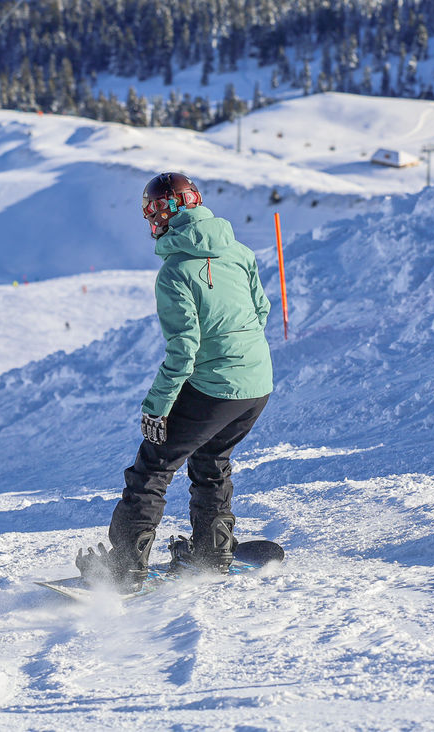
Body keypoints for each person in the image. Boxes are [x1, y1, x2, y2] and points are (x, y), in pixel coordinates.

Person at [76, 172, 273, 592]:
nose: (152, 223)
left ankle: (125, 567)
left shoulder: (175, 271)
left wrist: (157, 408)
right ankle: (213, 551)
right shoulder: (239, 252)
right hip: (257, 385)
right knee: (211, 458)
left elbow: (184, 349)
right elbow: (261, 311)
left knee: (153, 466)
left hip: (216, 387)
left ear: (167, 213)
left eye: (154, 213)